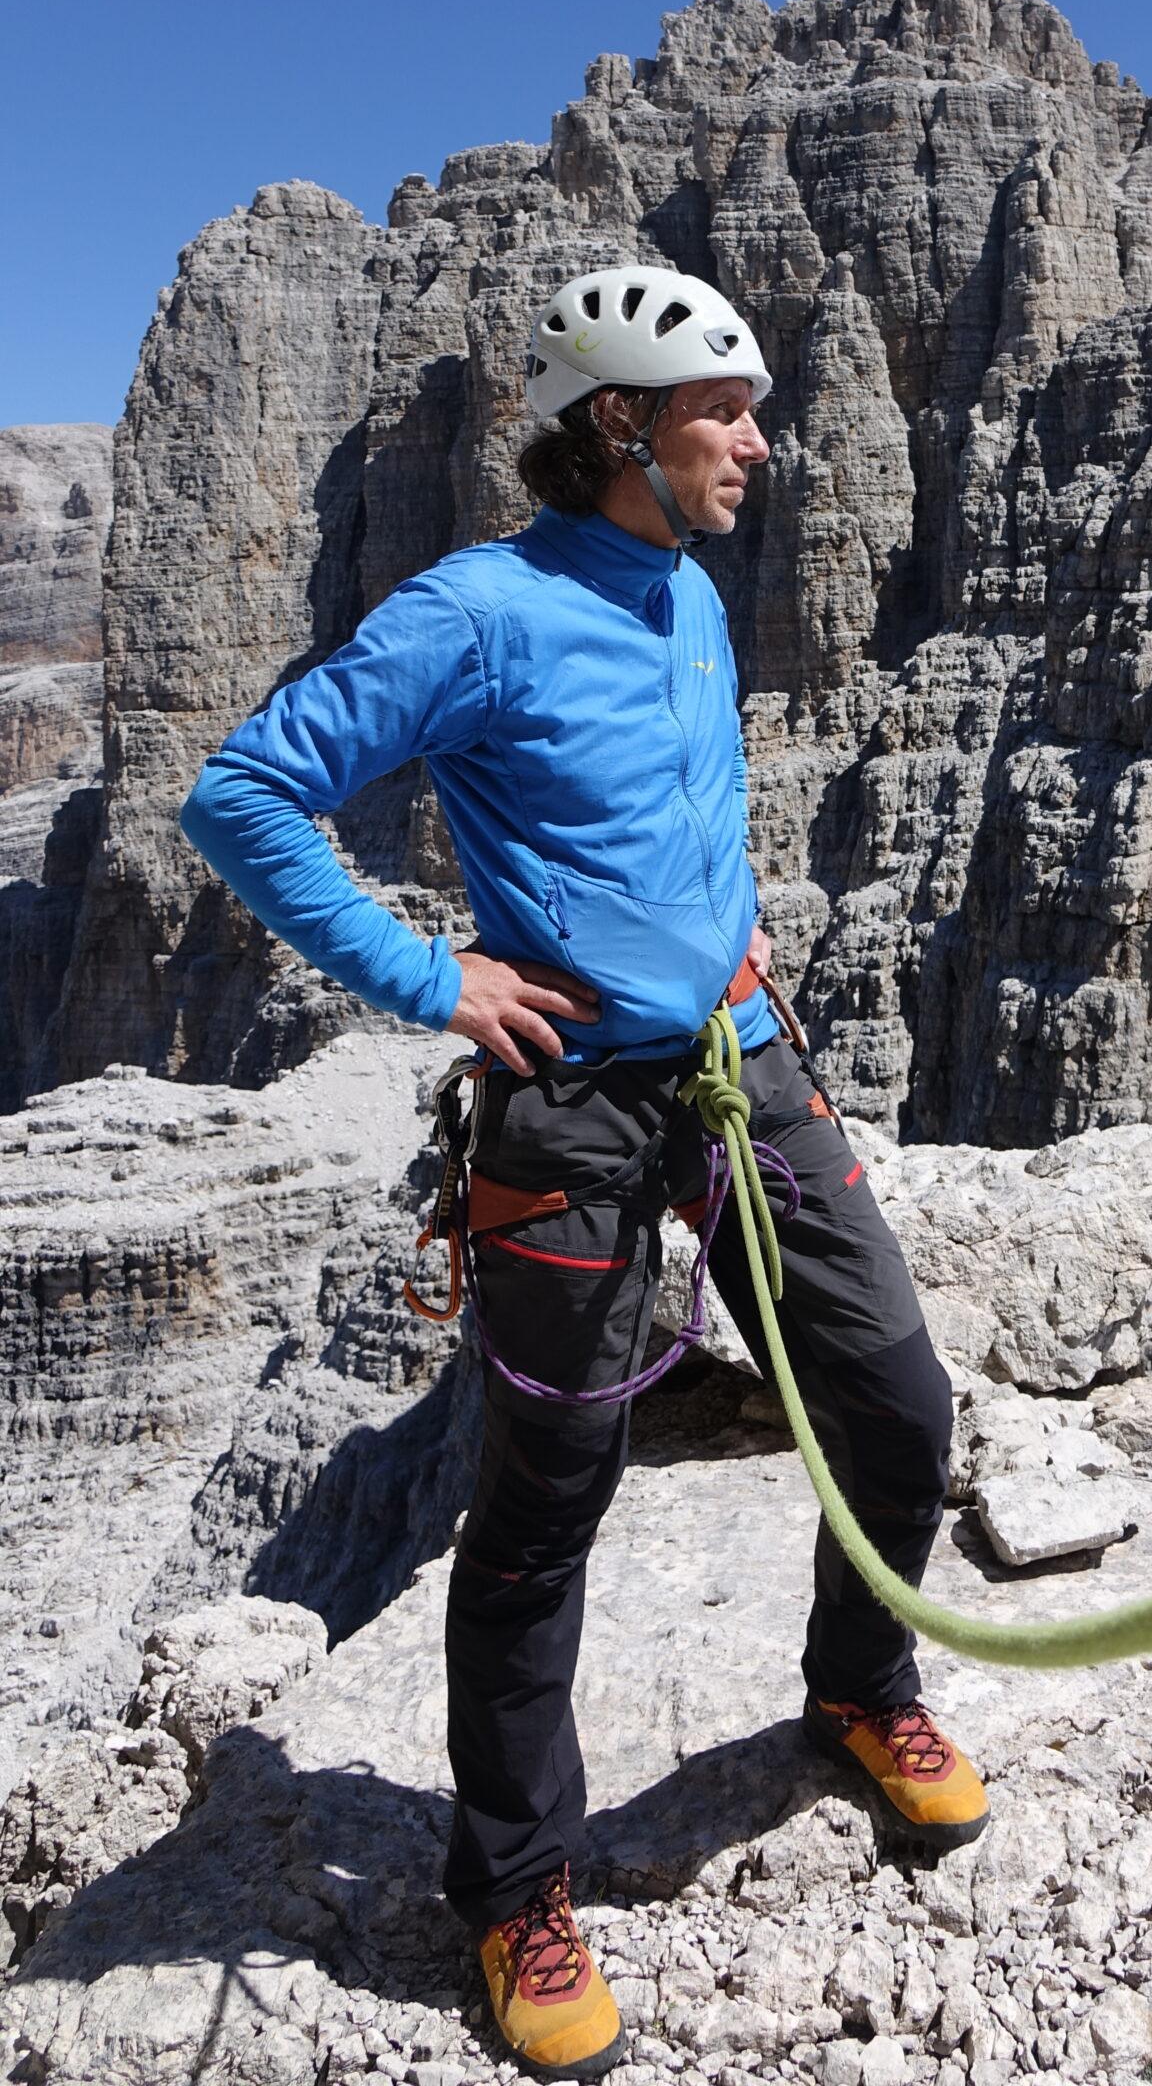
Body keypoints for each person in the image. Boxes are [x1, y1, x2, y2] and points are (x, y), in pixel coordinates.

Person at [181, 264, 987, 2083]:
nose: (761, 447)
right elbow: (242, 794)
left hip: (737, 1061)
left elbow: (670, 823)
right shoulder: (475, 614)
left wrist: (727, 950)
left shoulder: (690, 591)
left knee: (895, 1396)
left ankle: (860, 1690)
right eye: (727, 414)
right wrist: (433, 979)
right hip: (567, 1116)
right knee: (547, 1505)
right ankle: (515, 1887)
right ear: (621, 422)